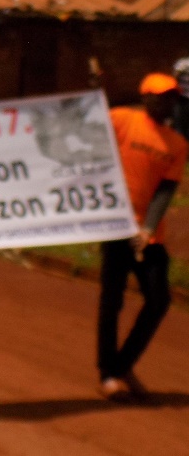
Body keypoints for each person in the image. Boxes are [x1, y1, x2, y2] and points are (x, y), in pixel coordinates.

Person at [97, 72, 187, 400]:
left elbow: (166, 190)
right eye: (162, 96)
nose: (168, 102)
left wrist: (148, 227)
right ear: (145, 96)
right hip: (114, 225)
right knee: (112, 301)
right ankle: (108, 374)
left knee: (159, 299)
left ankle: (122, 365)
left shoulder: (176, 144)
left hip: (148, 235)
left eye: (173, 97)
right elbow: (90, 126)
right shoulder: (123, 120)